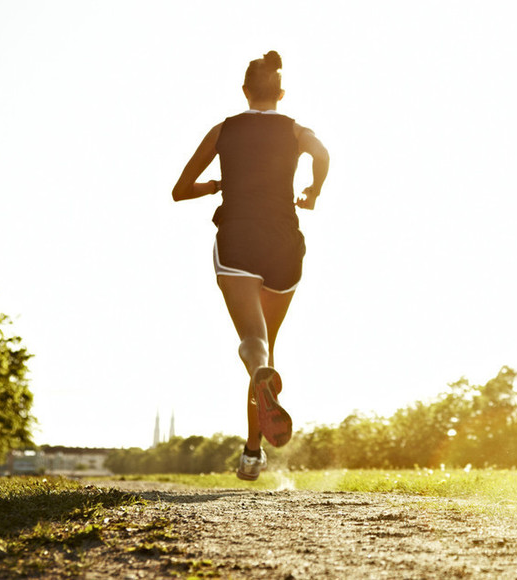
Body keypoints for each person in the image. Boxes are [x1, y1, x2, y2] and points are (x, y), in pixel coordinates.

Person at [171, 50, 330, 480]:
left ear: (245, 91)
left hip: (239, 240)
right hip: (284, 245)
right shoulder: (296, 129)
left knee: (254, 344)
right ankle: (252, 452)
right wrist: (313, 192)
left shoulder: (224, 130)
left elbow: (179, 190)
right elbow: (323, 154)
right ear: (281, 93)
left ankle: (258, 388)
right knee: (267, 349)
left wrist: (216, 185)